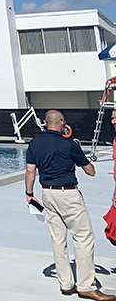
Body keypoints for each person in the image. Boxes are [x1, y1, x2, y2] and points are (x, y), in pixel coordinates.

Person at [26, 110, 114, 301]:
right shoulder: (69, 144)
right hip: (68, 194)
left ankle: (66, 284)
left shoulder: (34, 143)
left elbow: (30, 171)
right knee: (83, 237)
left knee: (58, 239)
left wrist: (29, 194)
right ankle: (86, 286)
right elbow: (91, 171)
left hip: (47, 193)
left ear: (44, 123)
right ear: (62, 123)